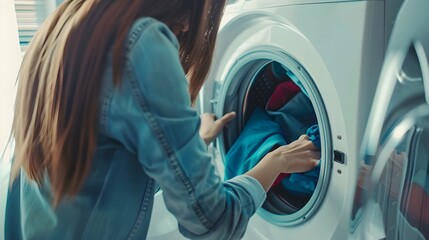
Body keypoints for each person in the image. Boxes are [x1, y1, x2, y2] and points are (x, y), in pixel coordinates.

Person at [4, 0, 320, 239]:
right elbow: (211, 222)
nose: (186, 28)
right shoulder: (143, 45)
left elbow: (103, 164)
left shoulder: (62, 28)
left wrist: (194, 142)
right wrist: (274, 162)